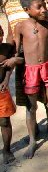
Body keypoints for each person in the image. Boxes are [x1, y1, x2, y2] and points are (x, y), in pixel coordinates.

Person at [15, 0, 48, 159]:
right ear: (27, 10)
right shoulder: (20, 27)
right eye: (39, 7)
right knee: (31, 107)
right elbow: (17, 50)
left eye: (45, 6)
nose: (44, 9)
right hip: (31, 69)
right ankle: (32, 141)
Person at [0, 25, 16, 164]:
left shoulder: (5, 48)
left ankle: (6, 149)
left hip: (1, 91)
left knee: (4, 121)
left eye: (0, 34)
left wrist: (6, 78)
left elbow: (12, 63)